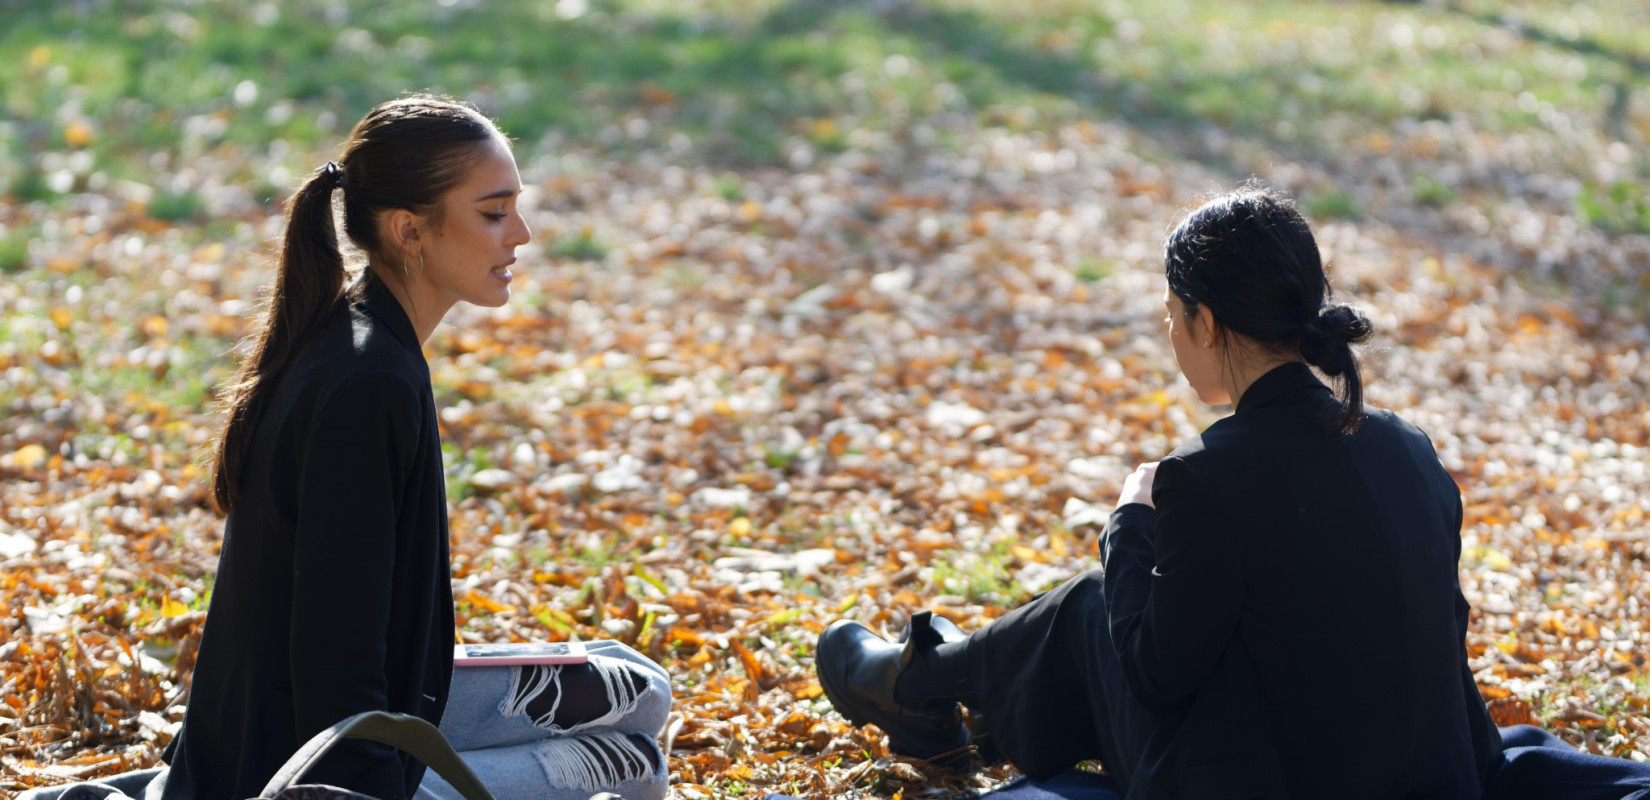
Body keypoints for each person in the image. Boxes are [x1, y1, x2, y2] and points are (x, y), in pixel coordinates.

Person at [20, 96, 669, 800]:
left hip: (352, 705)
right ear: (409, 231)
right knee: (637, 763)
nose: (523, 233)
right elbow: (335, 647)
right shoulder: (369, 384)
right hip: (307, 766)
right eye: (493, 212)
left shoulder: (354, 335)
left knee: (642, 687)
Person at [815, 184, 1506, 797]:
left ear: (1205, 321)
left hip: (1286, 777)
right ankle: (930, 683)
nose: (1172, 332)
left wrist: (1129, 523)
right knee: (1111, 603)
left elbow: (1153, 676)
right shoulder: (1409, 446)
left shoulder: (1207, 476)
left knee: (1096, 603)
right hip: (1435, 769)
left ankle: (918, 684)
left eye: (1172, 313)